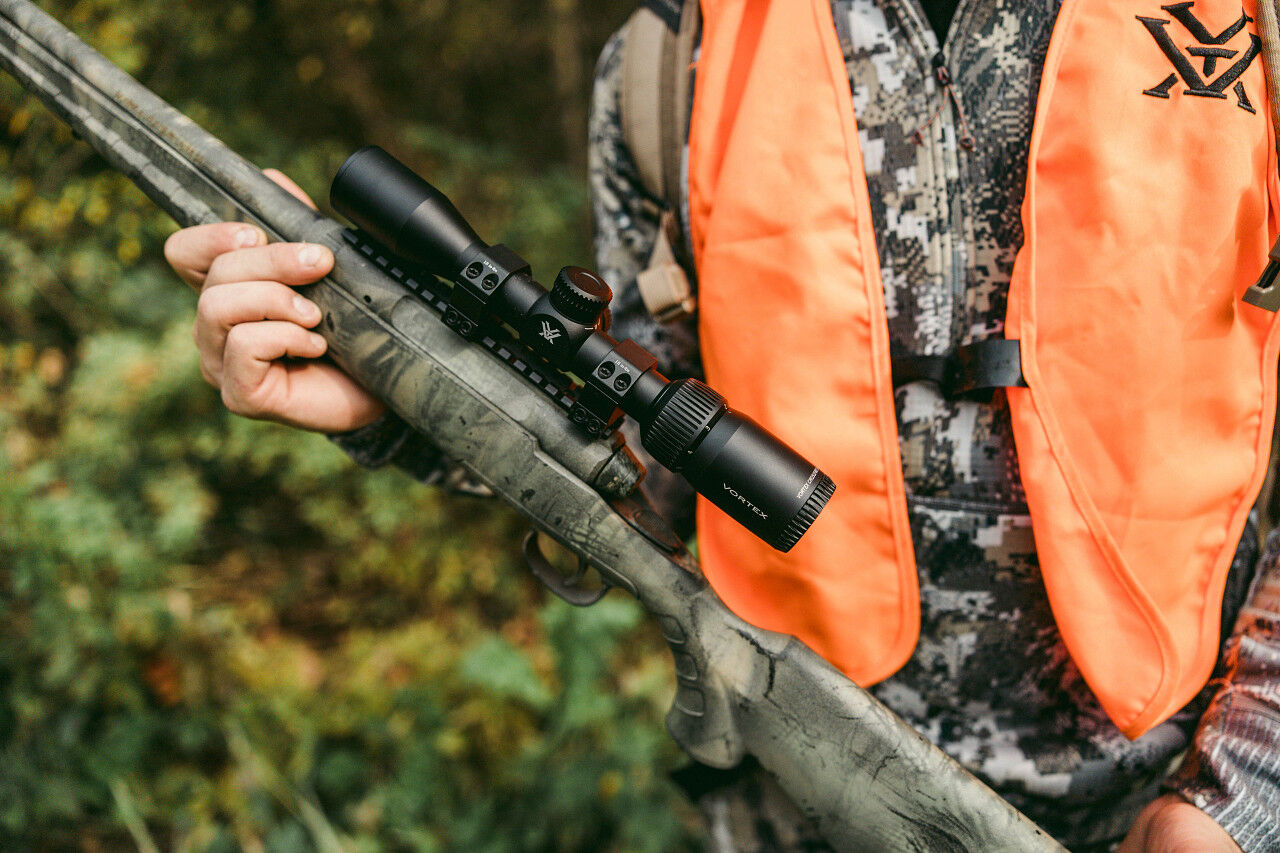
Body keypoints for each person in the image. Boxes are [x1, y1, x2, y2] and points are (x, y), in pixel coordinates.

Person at [163, 0, 1280, 849]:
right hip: (793, 796)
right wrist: (388, 395)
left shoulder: (1250, 30)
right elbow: (636, 457)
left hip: (1159, 800)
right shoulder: (675, 59)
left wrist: (1239, 795)